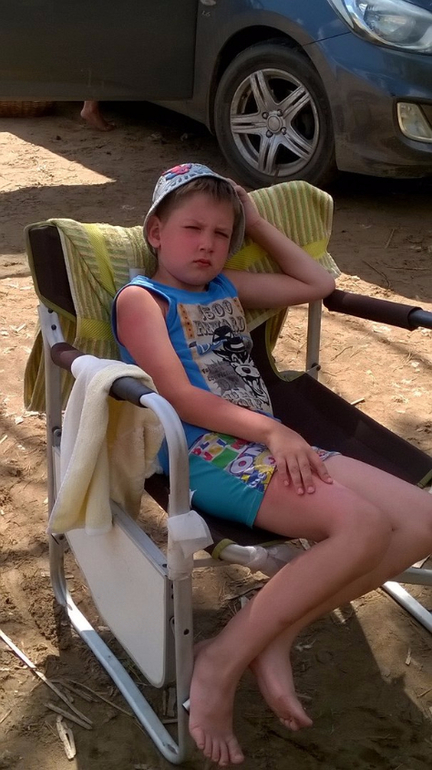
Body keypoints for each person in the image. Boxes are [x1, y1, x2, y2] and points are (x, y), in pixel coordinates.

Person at [112, 162, 432, 767]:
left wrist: (255, 222)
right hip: (205, 453)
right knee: (362, 526)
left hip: (268, 446)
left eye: (221, 233)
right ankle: (221, 662)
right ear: (156, 233)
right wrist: (274, 430)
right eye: (192, 229)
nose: (208, 244)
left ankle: (272, 634)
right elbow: (176, 395)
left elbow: (317, 283)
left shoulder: (225, 287)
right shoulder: (143, 299)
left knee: (422, 520)